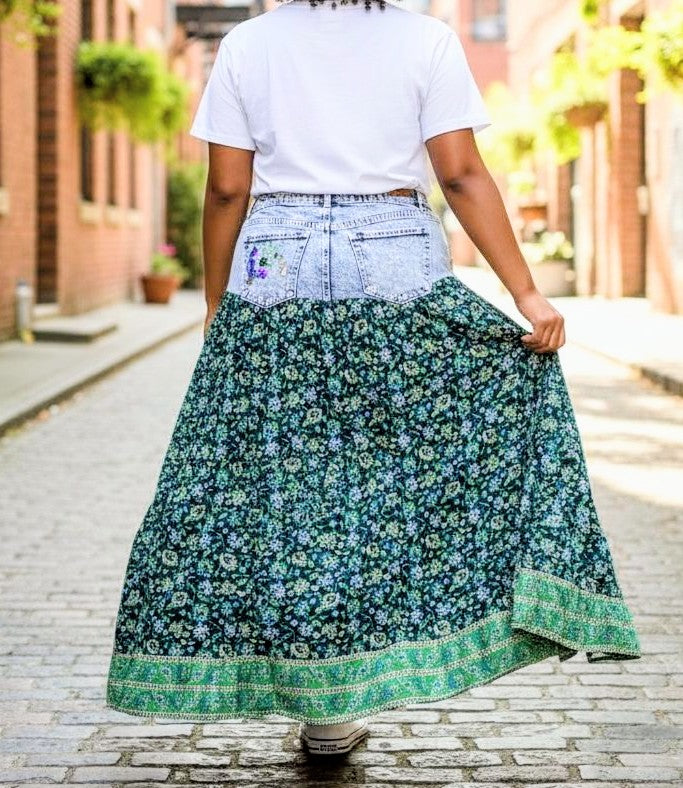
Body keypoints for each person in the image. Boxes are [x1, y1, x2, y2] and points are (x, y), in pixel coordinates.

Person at [105, 0, 640, 757]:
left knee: (282, 480)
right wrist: (525, 294)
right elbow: (458, 173)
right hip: (389, 246)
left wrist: (218, 301)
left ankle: (323, 709)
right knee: (385, 476)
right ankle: (344, 693)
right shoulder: (424, 39)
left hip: (274, 255)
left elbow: (227, 187)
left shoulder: (249, 43)